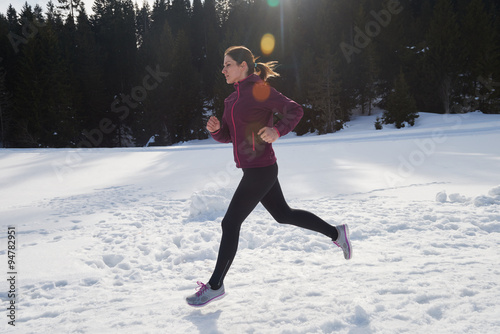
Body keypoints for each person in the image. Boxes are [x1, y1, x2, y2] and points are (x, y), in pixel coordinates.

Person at [186, 46, 352, 307]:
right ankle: (336, 233)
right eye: (223, 65)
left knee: (230, 224)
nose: (223, 70)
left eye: (228, 64)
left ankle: (215, 285)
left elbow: (295, 110)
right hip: (255, 169)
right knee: (283, 214)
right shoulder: (231, 100)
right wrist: (218, 131)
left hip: (261, 169)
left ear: (243, 66)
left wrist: (277, 131)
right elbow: (230, 136)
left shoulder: (259, 91)